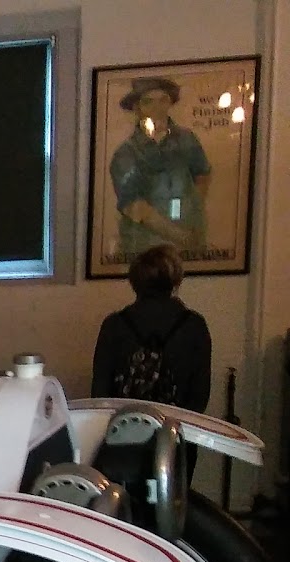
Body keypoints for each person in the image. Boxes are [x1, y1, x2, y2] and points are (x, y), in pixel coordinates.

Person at [91, 242, 211, 413]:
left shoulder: (114, 325)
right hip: (176, 424)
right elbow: (199, 398)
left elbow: (99, 394)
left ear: (134, 281)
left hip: (123, 424)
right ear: (175, 280)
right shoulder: (194, 326)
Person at [108, 77, 211, 257]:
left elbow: (202, 175)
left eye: (163, 100)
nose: (157, 108)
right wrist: (179, 235)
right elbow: (134, 206)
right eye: (148, 102)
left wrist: (193, 213)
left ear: (170, 103)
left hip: (190, 244)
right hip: (145, 247)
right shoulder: (126, 153)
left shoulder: (187, 139)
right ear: (136, 108)